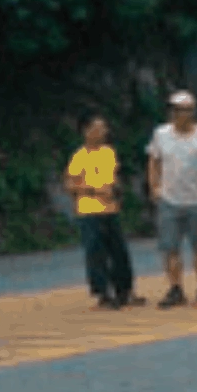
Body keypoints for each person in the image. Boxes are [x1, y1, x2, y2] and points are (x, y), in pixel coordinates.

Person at [146, 91, 197, 307]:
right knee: (170, 247)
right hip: (169, 199)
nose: (181, 114)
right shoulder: (161, 134)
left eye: (186, 110)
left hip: (196, 199)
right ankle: (175, 288)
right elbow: (154, 160)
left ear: (192, 112)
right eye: (177, 110)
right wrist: (154, 186)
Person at [65, 114, 141, 310]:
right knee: (96, 252)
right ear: (87, 131)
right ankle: (103, 293)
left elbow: (114, 176)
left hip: (110, 208)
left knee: (119, 251)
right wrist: (95, 191)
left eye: (104, 128)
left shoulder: (109, 152)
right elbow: (71, 184)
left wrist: (116, 190)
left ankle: (124, 290)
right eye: (98, 128)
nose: (103, 132)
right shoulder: (79, 156)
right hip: (89, 211)